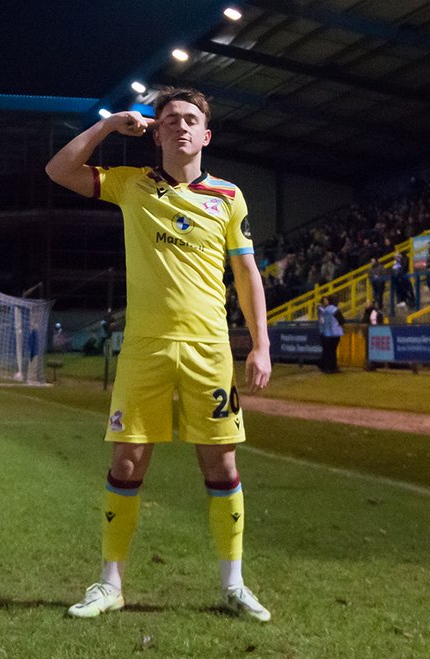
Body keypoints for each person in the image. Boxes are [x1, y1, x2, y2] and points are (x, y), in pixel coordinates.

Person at [45, 87, 272, 621]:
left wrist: (260, 344)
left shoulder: (228, 196)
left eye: (192, 120)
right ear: (156, 133)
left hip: (209, 348)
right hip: (145, 348)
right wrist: (106, 127)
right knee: (126, 460)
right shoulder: (132, 185)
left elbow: (245, 273)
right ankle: (109, 583)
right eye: (170, 120)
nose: (182, 127)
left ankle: (233, 584)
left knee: (220, 462)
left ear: (206, 135)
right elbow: (58, 171)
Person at [317, 295, 345, 373]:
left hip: (326, 333)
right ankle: (332, 367)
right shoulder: (335, 310)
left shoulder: (325, 310)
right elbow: (341, 321)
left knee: (327, 351)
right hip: (334, 333)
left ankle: (327, 367)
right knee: (332, 351)